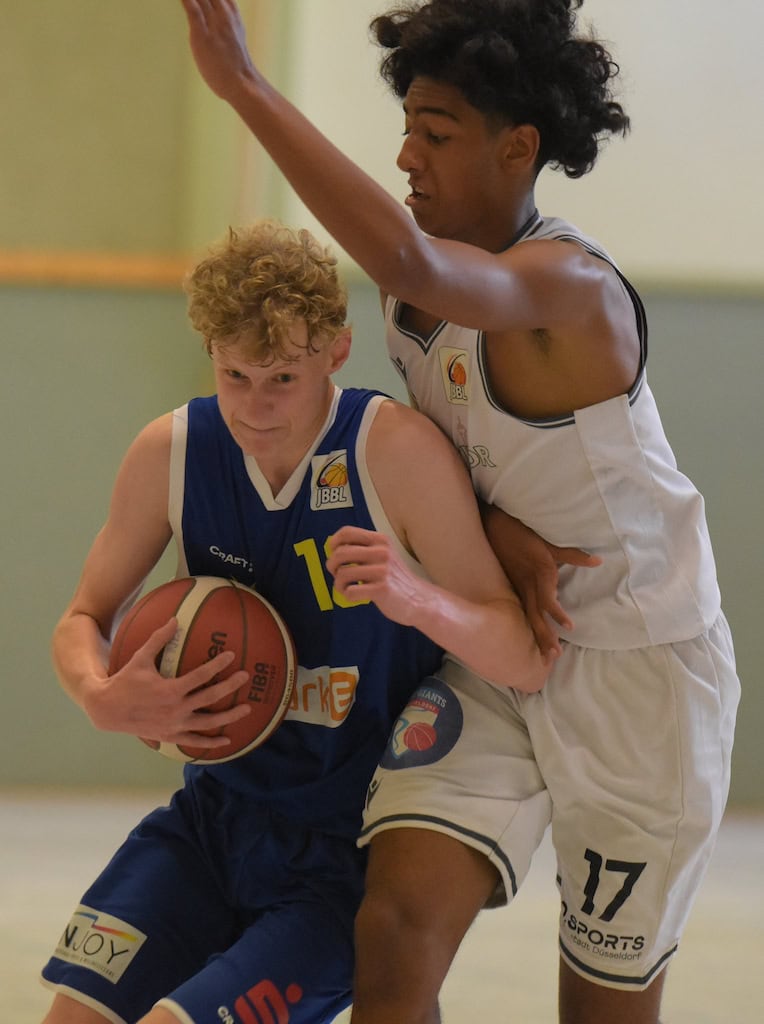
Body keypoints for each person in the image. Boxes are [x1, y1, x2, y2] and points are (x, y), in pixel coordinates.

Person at [178, 2, 741, 1023]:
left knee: (601, 1009)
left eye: (434, 134)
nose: (404, 154)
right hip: (499, 648)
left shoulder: (570, 288)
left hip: (637, 677)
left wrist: (246, 92)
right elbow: (464, 461)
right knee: (389, 934)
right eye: (407, 127)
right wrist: (498, 534)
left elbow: (408, 261)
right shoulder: (416, 292)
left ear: (515, 148)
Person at [40, 219, 551, 1024]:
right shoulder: (171, 451)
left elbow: (524, 656)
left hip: (342, 854)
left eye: (281, 377)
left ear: (337, 351)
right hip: (211, 824)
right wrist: (97, 692)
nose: (254, 405)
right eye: (234, 374)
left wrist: (417, 599)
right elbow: (82, 618)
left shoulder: (394, 452)